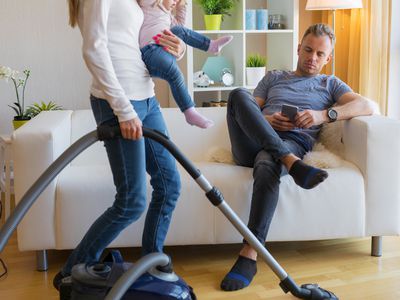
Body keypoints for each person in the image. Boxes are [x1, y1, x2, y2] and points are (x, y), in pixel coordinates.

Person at [220, 23, 374, 291]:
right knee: (237, 95)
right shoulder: (274, 77)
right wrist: (269, 120)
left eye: (319, 54)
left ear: (328, 58)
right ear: (298, 48)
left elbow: (367, 105)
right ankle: (291, 164)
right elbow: (247, 112)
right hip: (251, 143)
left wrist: (323, 115)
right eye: (308, 50)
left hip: (291, 143)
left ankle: (250, 254)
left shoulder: (330, 83)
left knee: (269, 162)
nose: (312, 58)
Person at [53, 0, 186, 289]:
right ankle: (69, 273)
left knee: (169, 185)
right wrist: (123, 110)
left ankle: (152, 264)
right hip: (119, 104)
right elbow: (94, 49)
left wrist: (178, 46)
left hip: (147, 97)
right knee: (131, 201)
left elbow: (143, 38)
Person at [138, 0, 233, 129]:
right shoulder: (150, 5)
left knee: (179, 30)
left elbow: (182, 29)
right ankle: (190, 111)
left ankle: (211, 45)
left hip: (163, 48)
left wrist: (182, 6)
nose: (175, 3)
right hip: (150, 51)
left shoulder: (168, 16)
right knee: (175, 74)